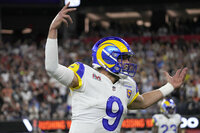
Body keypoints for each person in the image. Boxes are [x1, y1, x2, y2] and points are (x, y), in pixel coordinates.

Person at [45, 2, 188, 133]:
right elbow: (52, 68)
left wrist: (170, 86)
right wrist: (52, 30)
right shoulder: (84, 75)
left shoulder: (127, 85)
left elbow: (143, 102)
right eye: (123, 58)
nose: (127, 62)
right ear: (107, 57)